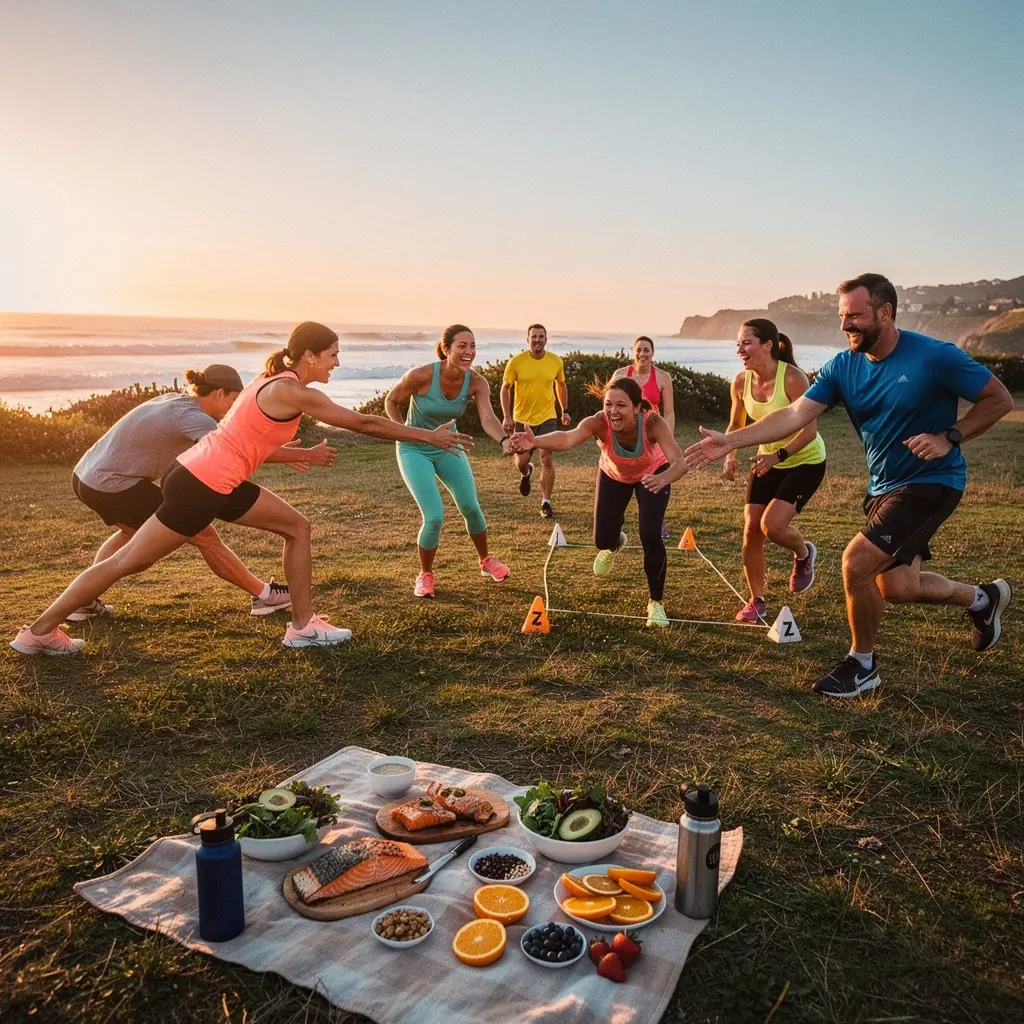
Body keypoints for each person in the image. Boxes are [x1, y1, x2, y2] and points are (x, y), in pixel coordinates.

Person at [10, 322, 474, 655]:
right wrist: (428, 436)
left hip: (207, 477)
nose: (337, 362)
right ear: (309, 355)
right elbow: (363, 422)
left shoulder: (270, 380)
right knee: (127, 561)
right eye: (332, 354)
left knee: (297, 527)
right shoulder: (292, 390)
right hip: (201, 485)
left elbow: (243, 444)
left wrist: (301, 455)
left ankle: (302, 626)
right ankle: (40, 630)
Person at [685, 274, 1014, 698]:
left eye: (855, 316)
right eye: (842, 317)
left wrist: (949, 436)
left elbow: (999, 398)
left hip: (932, 480)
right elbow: (794, 415)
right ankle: (983, 599)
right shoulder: (843, 366)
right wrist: (732, 439)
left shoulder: (935, 356)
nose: (846, 326)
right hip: (884, 486)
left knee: (856, 562)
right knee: (897, 587)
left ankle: (862, 666)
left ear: (885, 312)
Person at [67, 363, 334, 622]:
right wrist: (302, 454)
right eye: (234, 400)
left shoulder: (175, 400)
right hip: (112, 484)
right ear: (220, 394)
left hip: (86, 477)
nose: (235, 409)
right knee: (204, 535)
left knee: (130, 533)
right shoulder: (194, 418)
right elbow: (235, 450)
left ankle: (83, 602)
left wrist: (280, 451)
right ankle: (264, 595)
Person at [509, 376, 689, 627]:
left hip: (653, 474)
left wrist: (663, 479)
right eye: (608, 404)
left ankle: (655, 604)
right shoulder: (598, 422)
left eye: (622, 405)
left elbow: (679, 462)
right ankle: (615, 543)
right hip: (614, 474)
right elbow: (568, 437)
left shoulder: (652, 423)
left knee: (649, 533)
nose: (613, 411)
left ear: (637, 407)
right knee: (602, 540)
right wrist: (536, 441)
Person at [385, 325, 512, 598]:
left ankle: (485, 561)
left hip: (448, 446)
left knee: (470, 506)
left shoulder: (477, 382)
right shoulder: (420, 375)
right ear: (446, 349)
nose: (469, 352)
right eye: (462, 346)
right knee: (433, 517)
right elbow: (391, 401)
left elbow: (488, 419)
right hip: (414, 449)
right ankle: (425, 575)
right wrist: (408, 434)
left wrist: (504, 440)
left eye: (473, 346)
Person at [721, 320, 826, 622]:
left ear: (767, 345)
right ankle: (757, 600)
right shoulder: (740, 382)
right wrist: (730, 454)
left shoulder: (793, 379)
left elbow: (808, 432)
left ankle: (804, 553)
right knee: (751, 531)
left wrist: (776, 457)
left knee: (773, 527)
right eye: (738, 344)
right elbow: (736, 425)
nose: (740, 349)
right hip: (766, 461)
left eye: (746, 343)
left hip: (804, 460)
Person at [500, 324, 571, 518]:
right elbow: (505, 388)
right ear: (528, 340)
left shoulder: (555, 361)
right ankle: (526, 472)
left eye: (541, 336)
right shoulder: (516, 362)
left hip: (547, 417)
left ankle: (545, 502)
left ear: (546, 339)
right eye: (534, 336)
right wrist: (507, 416)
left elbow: (561, 384)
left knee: (546, 458)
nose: (537, 340)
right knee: (521, 461)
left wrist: (564, 411)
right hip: (523, 420)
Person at [611, 336, 676, 538]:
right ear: (633, 352)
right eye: (638, 350)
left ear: (652, 352)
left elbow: (669, 412)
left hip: (652, 435)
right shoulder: (621, 374)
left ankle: (656, 521)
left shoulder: (663, 377)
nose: (642, 354)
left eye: (646, 350)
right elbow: (609, 406)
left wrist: (667, 439)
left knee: (653, 477)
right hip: (625, 436)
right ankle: (615, 520)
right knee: (621, 477)